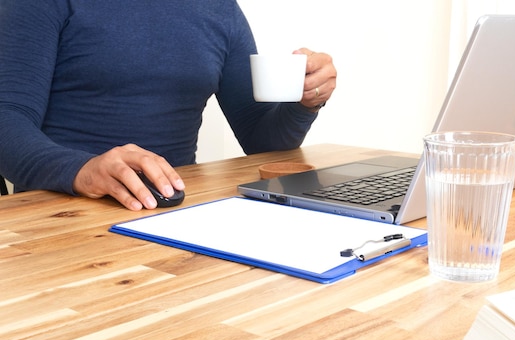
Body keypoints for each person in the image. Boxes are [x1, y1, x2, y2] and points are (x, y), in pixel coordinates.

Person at [0, 0, 336, 210]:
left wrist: (305, 102)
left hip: (174, 213)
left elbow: (263, 142)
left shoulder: (220, 9)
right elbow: (7, 118)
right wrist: (82, 171)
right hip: (61, 214)